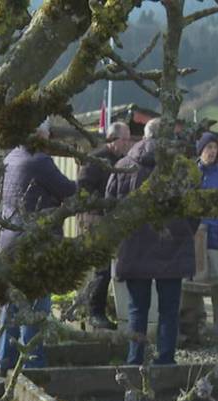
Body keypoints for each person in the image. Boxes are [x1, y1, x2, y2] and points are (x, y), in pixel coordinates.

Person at [106, 118, 198, 365]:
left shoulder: (123, 165)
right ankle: (165, 360)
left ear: (144, 136)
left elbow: (111, 208)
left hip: (134, 247)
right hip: (173, 247)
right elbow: (195, 208)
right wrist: (185, 231)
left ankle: (134, 360)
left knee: (137, 309)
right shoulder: (180, 168)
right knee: (169, 310)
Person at [0, 119, 77, 374]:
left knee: (11, 303)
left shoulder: (10, 158)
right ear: (41, 135)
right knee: (36, 304)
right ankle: (33, 364)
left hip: (8, 239)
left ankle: (4, 360)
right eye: (48, 133)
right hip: (36, 242)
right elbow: (68, 190)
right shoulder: (40, 161)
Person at [78, 121, 133, 330]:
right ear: (113, 139)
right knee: (101, 270)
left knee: (109, 270)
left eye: (129, 139)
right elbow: (83, 188)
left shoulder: (122, 160)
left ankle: (100, 309)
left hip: (113, 221)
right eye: (125, 139)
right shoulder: (97, 160)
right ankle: (95, 312)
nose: (128, 143)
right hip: (96, 220)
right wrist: (101, 205)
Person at [194, 132, 218, 344]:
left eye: (214, 148)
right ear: (200, 150)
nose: (212, 151)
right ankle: (195, 326)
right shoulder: (190, 173)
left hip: (216, 238)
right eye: (208, 147)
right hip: (192, 240)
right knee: (192, 286)